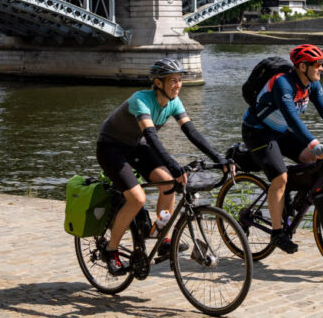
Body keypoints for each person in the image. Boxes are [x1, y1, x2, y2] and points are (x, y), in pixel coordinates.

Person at [96, 57, 228, 275]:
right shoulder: (141, 99)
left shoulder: (174, 102)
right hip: (111, 147)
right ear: (158, 83)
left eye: (179, 80)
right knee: (137, 198)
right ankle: (111, 250)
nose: (177, 85)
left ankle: (163, 238)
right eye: (172, 81)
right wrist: (175, 165)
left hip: (135, 145)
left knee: (168, 184)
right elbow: (151, 135)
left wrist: (219, 157)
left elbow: (191, 132)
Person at [240, 43, 323, 254]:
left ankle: (294, 200)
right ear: (303, 66)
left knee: (316, 163)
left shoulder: (311, 84)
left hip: (282, 131)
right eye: (318, 65)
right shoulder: (282, 83)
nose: (322, 68)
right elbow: (292, 118)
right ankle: (277, 233)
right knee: (280, 177)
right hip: (257, 131)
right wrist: (313, 143)